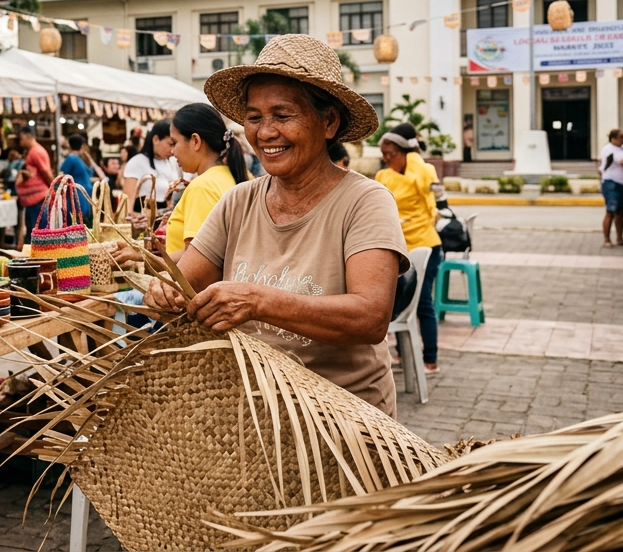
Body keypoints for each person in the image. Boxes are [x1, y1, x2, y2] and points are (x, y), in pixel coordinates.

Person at [144, 34, 407, 416]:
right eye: (253, 118)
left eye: (283, 116)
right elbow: (187, 285)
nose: (264, 133)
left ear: (328, 121)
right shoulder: (239, 201)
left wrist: (259, 301)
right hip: (251, 414)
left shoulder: (364, 201)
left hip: (343, 420)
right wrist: (164, 292)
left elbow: (370, 317)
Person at [114, 103, 249, 266]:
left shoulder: (202, 187)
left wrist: (141, 256)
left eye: (174, 143)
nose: (172, 152)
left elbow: (194, 260)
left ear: (196, 141)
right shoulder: (234, 175)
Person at [375, 123, 444, 374]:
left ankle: (430, 359)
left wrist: (416, 163)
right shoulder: (383, 177)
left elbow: (435, 199)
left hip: (425, 242)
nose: (386, 159)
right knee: (396, 302)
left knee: (423, 302)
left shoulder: (423, 171)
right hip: (398, 245)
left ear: (405, 152)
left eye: (391, 154)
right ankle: (404, 355)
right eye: (383, 155)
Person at [121, 120, 182, 213]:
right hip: (143, 221)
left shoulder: (171, 162)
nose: (172, 150)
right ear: (156, 140)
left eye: (175, 145)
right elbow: (127, 206)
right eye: (170, 144)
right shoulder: (137, 162)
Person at [14, 125, 54, 247]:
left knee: (39, 235)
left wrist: (54, 188)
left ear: (28, 137)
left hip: (38, 199)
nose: (20, 142)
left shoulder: (36, 152)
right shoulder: (33, 151)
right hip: (33, 201)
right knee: (33, 233)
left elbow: (46, 172)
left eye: (21, 139)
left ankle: (39, 262)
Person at [598, 128, 623, 247]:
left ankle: (620, 238)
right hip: (611, 182)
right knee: (610, 211)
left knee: (620, 212)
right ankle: (607, 239)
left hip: (622, 183)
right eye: (621, 137)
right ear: (613, 138)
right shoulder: (609, 149)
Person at [59, 134, 96, 218]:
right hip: (81, 196)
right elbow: (90, 171)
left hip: (79, 196)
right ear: (82, 146)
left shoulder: (72, 159)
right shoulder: (75, 159)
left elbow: (61, 176)